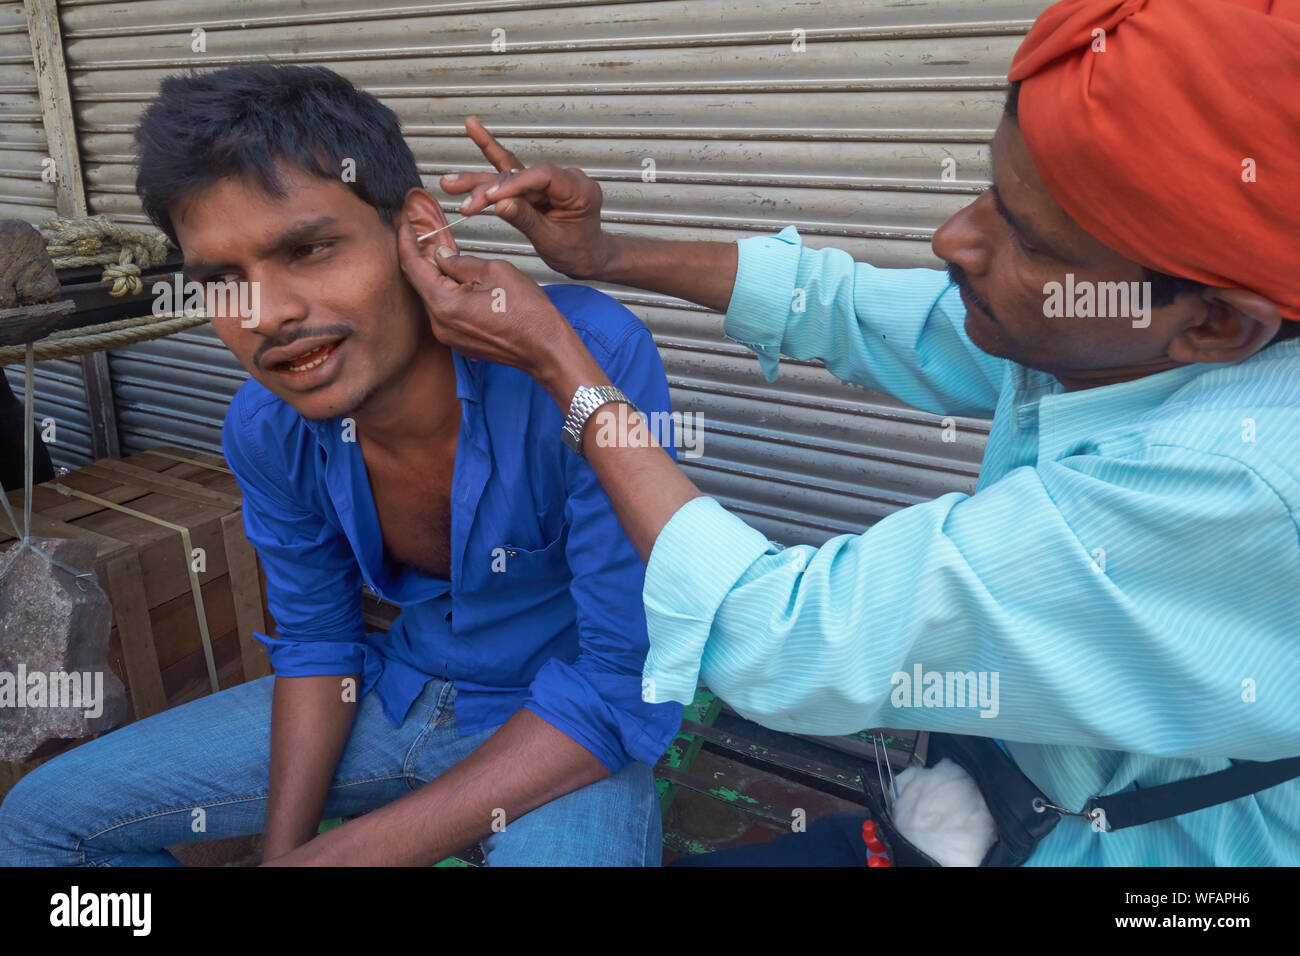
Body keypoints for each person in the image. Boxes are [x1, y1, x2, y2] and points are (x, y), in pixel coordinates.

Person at [396, 0, 1300, 865]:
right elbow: (854, 308)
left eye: (1028, 239)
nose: (954, 238)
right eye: (991, 189)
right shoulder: (1121, 328)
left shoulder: (1224, 486)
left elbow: (782, 635)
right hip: (992, 812)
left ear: (1219, 324)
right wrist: (604, 257)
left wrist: (564, 365)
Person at [0, 63, 682, 867]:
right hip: (393, 694)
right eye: (223, 281)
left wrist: (340, 857)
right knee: (39, 826)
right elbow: (320, 642)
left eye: (311, 248)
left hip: (563, 730)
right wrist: (285, 852)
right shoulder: (266, 427)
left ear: (420, 231)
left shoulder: (581, 361)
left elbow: (615, 684)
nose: (269, 315)